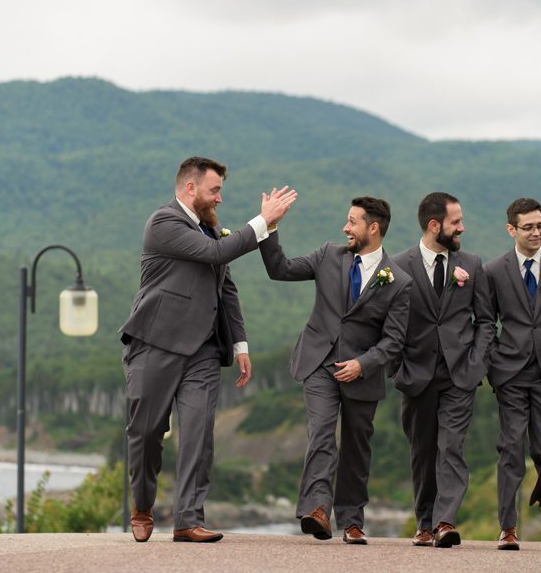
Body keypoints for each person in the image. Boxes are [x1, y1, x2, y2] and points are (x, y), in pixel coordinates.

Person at [118, 156, 295, 544]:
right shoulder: (164, 222)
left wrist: (240, 343)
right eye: (215, 191)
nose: (219, 199)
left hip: (204, 350)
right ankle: (142, 506)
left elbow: (226, 287)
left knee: (198, 434)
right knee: (146, 433)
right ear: (190, 188)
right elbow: (216, 254)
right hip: (154, 344)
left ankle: (187, 520)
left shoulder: (211, 230)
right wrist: (263, 221)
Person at [259, 196, 408, 545]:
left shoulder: (399, 281)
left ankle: (352, 521)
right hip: (319, 363)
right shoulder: (328, 254)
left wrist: (362, 364)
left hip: (362, 373)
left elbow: (394, 340)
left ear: (374, 228)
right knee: (322, 433)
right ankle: (317, 510)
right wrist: (269, 225)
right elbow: (280, 269)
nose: (345, 228)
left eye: (352, 222)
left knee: (357, 447)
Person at [477, 197, 541, 550]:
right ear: (512, 229)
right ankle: (508, 527)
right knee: (510, 448)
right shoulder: (494, 271)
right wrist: (493, 362)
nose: (537, 232)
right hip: (510, 372)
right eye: (529, 227)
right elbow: (486, 323)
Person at [388, 192, 492, 548]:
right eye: (455, 222)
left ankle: (445, 521)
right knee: (423, 452)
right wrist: (396, 367)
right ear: (435, 225)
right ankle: (425, 523)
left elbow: (486, 321)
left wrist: (476, 362)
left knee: (451, 446)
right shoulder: (397, 265)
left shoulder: (472, 264)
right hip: (415, 376)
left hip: (459, 375)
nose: (462, 228)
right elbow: (388, 322)